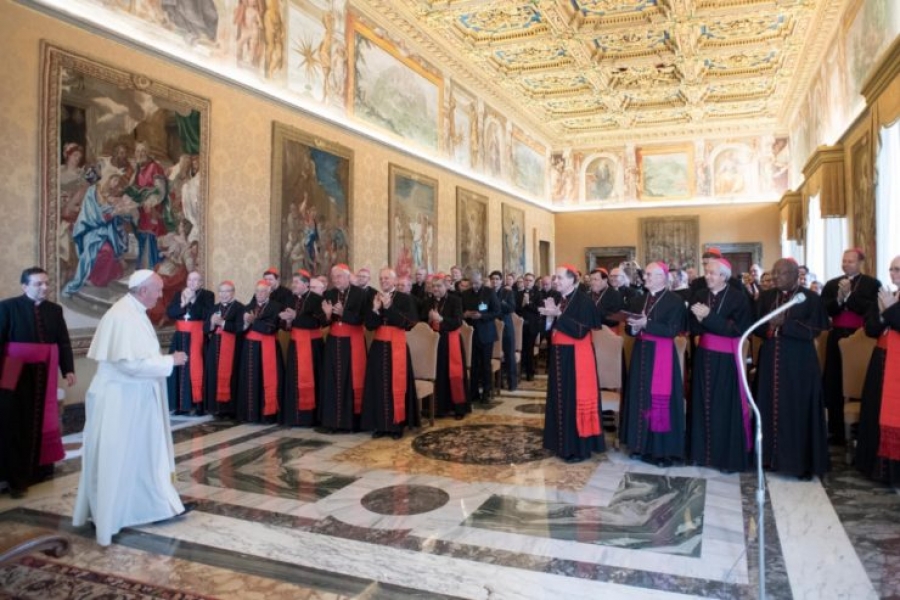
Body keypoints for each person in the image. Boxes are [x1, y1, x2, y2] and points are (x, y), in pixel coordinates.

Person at [72, 270, 190, 546]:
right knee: (120, 457)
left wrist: (163, 361)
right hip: (121, 401)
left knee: (140, 455)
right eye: (158, 290)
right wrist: (170, 361)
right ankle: (115, 514)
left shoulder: (133, 311)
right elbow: (129, 364)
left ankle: (145, 506)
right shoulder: (123, 315)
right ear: (143, 290)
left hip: (133, 398)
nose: (162, 295)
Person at [0, 267, 76, 498]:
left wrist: (68, 369)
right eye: (38, 284)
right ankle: (14, 476)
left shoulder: (55, 310)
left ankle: (39, 470)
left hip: (45, 371)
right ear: (24, 286)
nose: (44, 288)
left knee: (42, 420)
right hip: (12, 370)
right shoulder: (7, 307)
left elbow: (63, 341)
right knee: (13, 420)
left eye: (46, 283)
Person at [754, 258, 830, 479]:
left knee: (798, 410)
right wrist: (768, 326)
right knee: (768, 406)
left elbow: (815, 330)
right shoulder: (767, 297)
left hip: (799, 366)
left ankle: (801, 464)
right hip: (770, 362)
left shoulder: (810, 298)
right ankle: (770, 458)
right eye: (774, 273)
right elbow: (756, 327)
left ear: (796, 275)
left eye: (782, 273)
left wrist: (783, 325)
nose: (776, 277)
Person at [688, 259, 753, 472]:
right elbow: (692, 326)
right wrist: (699, 322)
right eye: (706, 272)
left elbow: (737, 330)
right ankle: (701, 453)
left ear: (724, 277)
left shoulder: (738, 298)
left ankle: (725, 457)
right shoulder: (699, 295)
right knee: (701, 403)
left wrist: (708, 317)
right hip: (703, 356)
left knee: (724, 406)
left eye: (712, 273)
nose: (707, 276)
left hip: (726, 359)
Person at [621, 262, 687, 467]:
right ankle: (640, 445)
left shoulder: (675, 301)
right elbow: (630, 329)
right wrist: (632, 327)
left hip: (661, 355)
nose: (645, 277)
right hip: (641, 353)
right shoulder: (639, 299)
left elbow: (671, 330)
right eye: (645, 274)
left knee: (659, 400)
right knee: (640, 397)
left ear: (662, 277)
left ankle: (661, 451)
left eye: (650, 274)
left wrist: (647, 324)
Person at [540, 265, 604, 463]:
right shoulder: (561, 299)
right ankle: (559, 443)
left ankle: (576, 448)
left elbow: (580, 331)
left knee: (573, 400)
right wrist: (550, 317)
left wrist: (558, 315)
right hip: (560, 354)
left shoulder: (584, 301)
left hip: (576, 357)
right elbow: (553, 329)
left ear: (572, 279)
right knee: (560, 398)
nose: (556, 281)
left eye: (559, 278)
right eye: (555, 278)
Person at [821, 249, 881, 444]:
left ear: (860, 263)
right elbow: (825, 309)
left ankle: (861, 428)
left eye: (850, 261)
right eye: (844, 261)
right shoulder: (831, 284)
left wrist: (849, 296)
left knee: (860, 380)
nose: (846, 264)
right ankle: (836, 429)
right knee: (835, 380)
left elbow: (870, 308)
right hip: (837, 335)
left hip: (862, 338)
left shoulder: (873, 284)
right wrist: (839, 299)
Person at [855, 256, 900, 484]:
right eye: (891, 269)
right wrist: (884, 313)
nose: (893, 274)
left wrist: (891, 310)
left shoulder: (890, 300)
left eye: (898, 269)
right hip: (881, 359)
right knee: (874, 409)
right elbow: (871, 328)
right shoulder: (884, 296)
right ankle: (875, 467)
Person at [361, 268, 420, 439]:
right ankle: (381, 425)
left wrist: (389, 307)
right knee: (378, 385)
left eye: (387, 278)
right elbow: (370, 326)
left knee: (397, 385)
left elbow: (408, 323)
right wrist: (375, 309)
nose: (383, 281)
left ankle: (397, 425)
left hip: (397, 346)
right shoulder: (374, 297)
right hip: (379, 346)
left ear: (394, 281)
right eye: (381, 278)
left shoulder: (404, 298)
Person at [320, 264, 369, 432]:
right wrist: (327, 315)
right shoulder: (329, 294)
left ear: (348, 277)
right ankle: (332, 422)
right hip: (334, 343)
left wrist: (343, 313)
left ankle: (350, 422)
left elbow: (363, 320)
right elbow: (323, 321)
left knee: (350, 380)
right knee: (332, 380)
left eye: (339, 276)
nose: (336, 280)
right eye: (334, 277)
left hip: (352, 342)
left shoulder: (360, 294)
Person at [280, 270, 326, 427]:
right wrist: (286, 322)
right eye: (293, 282)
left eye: (296, 282)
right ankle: (294, 417)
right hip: (295, 344)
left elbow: (317, 323)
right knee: (294, 379)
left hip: (312, 347)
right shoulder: (289, 298)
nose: (293, 285)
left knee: (313, 379)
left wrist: (295, 317)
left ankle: (310, 418)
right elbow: (286, 324)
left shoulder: (316, 299)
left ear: (306, 284)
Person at [166, 270, 214, 415]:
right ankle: (180, 406)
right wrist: (184, 303)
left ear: (201, 283)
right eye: (190, 280)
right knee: (179, 369)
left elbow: (206, 314)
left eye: (195, 280)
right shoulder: (178, 294)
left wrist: (193, 301)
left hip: (197, 337)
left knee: (197, 369)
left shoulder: (207, 295)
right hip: (180, 339)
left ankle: (198, 405)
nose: (192, 283)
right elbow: (170, 313)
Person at [237, 280, 285, 423]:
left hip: (268, 347)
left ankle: (268, 415)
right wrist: (245, 323)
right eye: (257, 291)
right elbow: (239, 329)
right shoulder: (248, 307)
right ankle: (250, 414)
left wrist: (253, 322)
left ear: (269, 292)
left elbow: (271, 328)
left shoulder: (276, 307)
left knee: (268, 380)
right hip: (250, 349)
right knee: (251, 380)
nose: (260, 294)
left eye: (263, 291)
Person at [425, 274, 469, 419]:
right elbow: (421, 321)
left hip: (450, 341)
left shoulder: (455, 300)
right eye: (433, 286)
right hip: (434, 343)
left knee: (454, 375)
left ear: (446, 287)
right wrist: (429, 320)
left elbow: (458, 322)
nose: (435, 289)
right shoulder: (428, 302)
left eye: (439, 286)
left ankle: (459, 409)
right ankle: (441, 408)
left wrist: (441, 319)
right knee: (439, 374)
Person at [204, 280, 244, 417]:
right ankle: (215, 407)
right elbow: (205, 329)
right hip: (215, 347)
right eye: (221, 291)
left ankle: (229, 409)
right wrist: (211, 324)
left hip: (232, 349)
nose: (224, 294)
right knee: (213, 376)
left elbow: (239, 329)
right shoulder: (214, 308)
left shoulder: (240, 308)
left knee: (231, 376)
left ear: (233, 292)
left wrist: (222, 323)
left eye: (227, 291)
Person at [461, 271, 500, 402]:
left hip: (486, 334)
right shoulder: (465, 294)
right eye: (472, 283)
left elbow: (496, 312)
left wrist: (482, 316)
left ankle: (487, 392)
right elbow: (460, 311)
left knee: (485, 364)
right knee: (474, 365)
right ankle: (473, 392)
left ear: (481, 281)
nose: (474, 286)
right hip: (471, 334)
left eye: (477, 283)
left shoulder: (489, 292)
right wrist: (464, 315)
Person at [490, 270, 518, 392]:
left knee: (509, 355)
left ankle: (512, 383)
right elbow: (483, 307)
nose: (495, 281)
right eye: (493, 279)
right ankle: (497, 382)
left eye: (497, 279)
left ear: (501, 281)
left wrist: (499, 302)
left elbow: (511, 308)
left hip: (506, 327)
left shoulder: (507, 292)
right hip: (491, 327)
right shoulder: (487, 292)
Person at [516, 272, 541, 381]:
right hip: (520, 325)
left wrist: (528, 303)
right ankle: (521, 370)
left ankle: (529, 372)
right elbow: (516, 309)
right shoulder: (518, 294)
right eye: (526, 280)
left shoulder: (538, 294)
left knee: (529, 349)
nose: (528, 282)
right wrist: (522, 304)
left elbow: (538, 309)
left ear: (533, 282)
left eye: (530, 280)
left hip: (532, 325)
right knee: (522, 348)